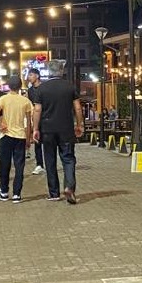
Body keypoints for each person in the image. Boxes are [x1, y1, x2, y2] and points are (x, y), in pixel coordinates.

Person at [32, 60, 84, 205]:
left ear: (49, 71)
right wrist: (79, 125)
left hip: (47, 129)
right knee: (68, 158)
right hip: (66, 129)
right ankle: (69, 187)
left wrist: (35, 129)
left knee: (50, 160)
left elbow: (37, 110)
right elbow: (78, 108)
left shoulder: (42, 88)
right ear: (62, 71)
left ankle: (54, 193)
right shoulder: (69, 86)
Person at [0, 75, 33, 202]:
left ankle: (4, 191)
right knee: (19, 166)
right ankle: (17, 194)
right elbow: (29, 121)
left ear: (9, 86)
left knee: (4, 164)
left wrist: (1, 124)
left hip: (6, 135)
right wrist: (28, 138)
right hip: (20, 136)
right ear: (20, 86)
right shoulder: (25, 101)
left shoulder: (3, 98)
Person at [26, 67, 45, 175]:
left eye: (31, 75)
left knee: (47, 142)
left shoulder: (45, 88)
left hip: (46, 118)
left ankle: (48, 164)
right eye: (28, 75)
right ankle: (39, 164)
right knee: (37, 142)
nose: (29, 77)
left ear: (37, 76)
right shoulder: (30, 90)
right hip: (36, 118)